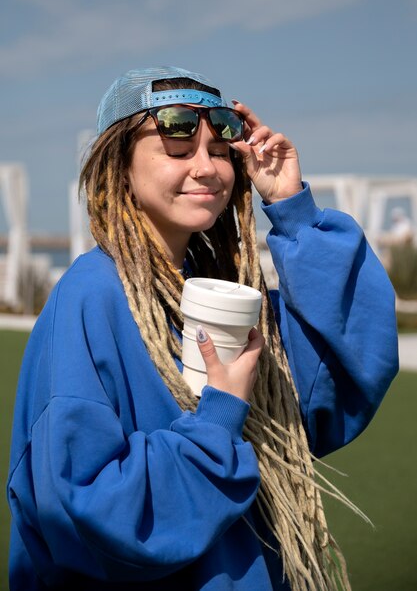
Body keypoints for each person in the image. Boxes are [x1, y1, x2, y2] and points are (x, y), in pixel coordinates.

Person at [7, 66, 398, 591]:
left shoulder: (222, 292)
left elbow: (345, 375)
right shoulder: (92, 296)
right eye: (178, 147)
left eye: (219, 150)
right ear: (118, 164)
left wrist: (292, 209)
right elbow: (85, 511)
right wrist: (218, 420)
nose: (207, 167)